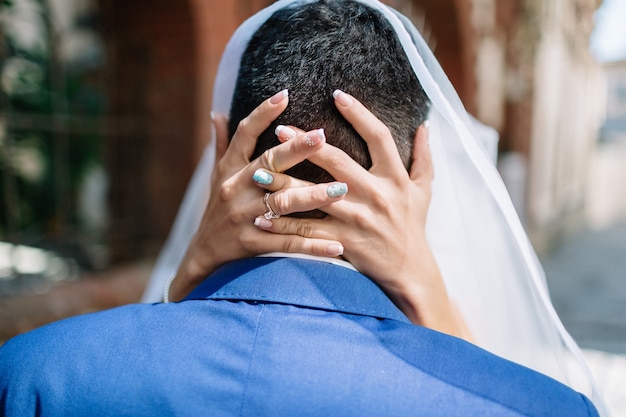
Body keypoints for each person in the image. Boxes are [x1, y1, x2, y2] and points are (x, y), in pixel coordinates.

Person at [0, 0, 604, 415]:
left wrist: (184, 282)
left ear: (220, 148)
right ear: (422, 166)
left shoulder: (33, 374)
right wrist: (428, 290)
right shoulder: (540, 406)